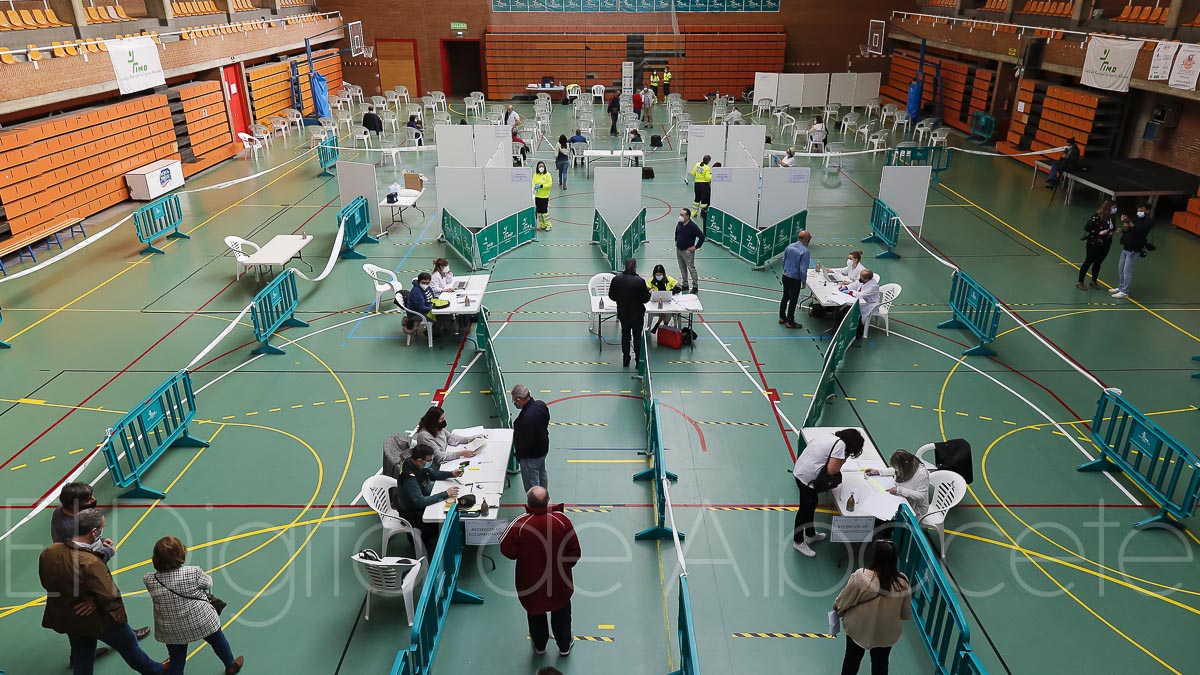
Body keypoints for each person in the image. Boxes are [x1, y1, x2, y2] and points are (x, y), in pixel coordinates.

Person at [40, 508, 167, 675]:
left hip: (70, 617)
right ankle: (157, 671)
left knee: (82, 658)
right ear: (94, 532)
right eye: (101, 528)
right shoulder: (91, 562)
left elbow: (47, 581)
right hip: (102, 620)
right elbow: (108, 594)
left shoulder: (50, 552)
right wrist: (94, 599)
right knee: (131, 648)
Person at [500, 486, 582, 659]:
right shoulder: (561, 520)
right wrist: (566, 567)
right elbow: (575, 550)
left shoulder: (521, 523)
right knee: (562, 613)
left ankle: (539, 646)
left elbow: (506, 549)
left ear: (528, 502)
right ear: (548, 500)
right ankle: (564, 646)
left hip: (530, 581)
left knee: (535, 613)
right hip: (559, 580)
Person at [143, 537, 243, 675]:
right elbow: (208, 584)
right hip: (201, 621)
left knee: (177, 659)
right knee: (218, 641)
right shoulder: (193, 572)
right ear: (181, 556)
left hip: (172, 629)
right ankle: (230, 665)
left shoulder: (149, 579)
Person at [833, 540, 912, 674]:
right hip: (886, 633)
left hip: (858, 628)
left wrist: (836, 610)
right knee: (881, 664)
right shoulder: (902, 583)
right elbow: (905, 613)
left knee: (851, 660)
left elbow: (842, 601)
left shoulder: (861, 577)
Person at [792, 429, 865, 557]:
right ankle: (798, 541)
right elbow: (832, 470)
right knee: (805, 509)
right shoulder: (840, 445)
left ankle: (810, 534)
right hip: (807, 479)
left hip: (801, 472)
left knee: (812, 504)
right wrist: (844, 458)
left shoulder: (829, 436)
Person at [394, 445, 462, 553]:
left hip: (423, 498)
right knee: (446, 521)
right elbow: (420, 502)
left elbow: (431, 473)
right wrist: (445, 494)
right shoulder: (409, 479)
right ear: (420, 460)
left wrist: (451, 474)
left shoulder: (413, 462)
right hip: (413, 514)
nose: (430, 463)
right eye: (428, 461)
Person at [608, 258, 652, 368]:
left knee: (625, 336)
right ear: (635, 267)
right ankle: (638, 361)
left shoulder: (616, 279)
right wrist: (649, 292)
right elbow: (645, 299)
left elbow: (611, 296)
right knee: (637, 338)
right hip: (637, 315)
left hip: (623, 313)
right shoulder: (639, 281)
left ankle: (625, 359)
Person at [865, 449, 930, 519]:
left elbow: (921, 496)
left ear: (904, 466)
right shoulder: (906, 466)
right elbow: (895, 470)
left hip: (915, 509)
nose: (897, 470)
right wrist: (879, 471)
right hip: (900, 498)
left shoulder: (921, 474)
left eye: (898, 468)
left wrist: (899, 490)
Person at [414, 405, 485, 466]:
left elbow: (450, 437)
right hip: (434, 465)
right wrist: (461, 453)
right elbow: (439, 457)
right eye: (441, 419)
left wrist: (468, 439)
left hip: (444, 455)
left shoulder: (436, 427)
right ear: (434, 420)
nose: (444, 420)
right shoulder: (425, 436)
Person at [511, 384, 551, 492]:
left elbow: (524, 443)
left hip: (530, 456)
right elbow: (547, 420)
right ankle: (544, 496)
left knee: (532, 484)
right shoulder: (541, 405)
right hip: (543, 449)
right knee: (542, 473)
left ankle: (536, 504)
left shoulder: (524, 420)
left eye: (514, 401)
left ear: (519, 400)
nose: (515, 403)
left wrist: (519, 456)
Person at [1111, 203, 1153, 299]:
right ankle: (1121, 287)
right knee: (1120, 268)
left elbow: (1138, 230)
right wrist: (1123, 228)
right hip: (1127, 246)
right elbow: (1128, 229)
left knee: (1127, 270)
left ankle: (1124, 291)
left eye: (1141, 211)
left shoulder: (1148, 222)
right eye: (1138, 210)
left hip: (1135, 248)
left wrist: (1128, 221)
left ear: (1147, 211)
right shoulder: (1135, 219)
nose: (1139, 212)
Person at [1077, 200, 1116, 290]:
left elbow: (1112, 227)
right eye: (1113, 207)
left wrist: (1113, 230)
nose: (1115, 209)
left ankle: (1094, 281)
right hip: (1094, 243)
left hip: (1106, 243)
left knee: (1098, 262)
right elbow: (1087, 227)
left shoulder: (1111, 218)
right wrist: (1099, 232)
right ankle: (1080, 281)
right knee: (1088, 261)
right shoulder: (1097, 216)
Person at [779, 230, 812, 329]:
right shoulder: (805, 251)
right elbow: (803, 269)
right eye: (809, 237)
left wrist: (787, 270)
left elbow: (783, 260)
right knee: (793, 300)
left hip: (785, 276)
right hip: (794, 279)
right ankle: (790, 322)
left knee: (785, 297)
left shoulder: (790, 247)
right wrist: (803, 281)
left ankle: (782, 317)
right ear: (806, 239)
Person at [840, 268, 881, 340]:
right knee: (845, 309)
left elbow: (862, 295)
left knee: (855, 314)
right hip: (861, 301)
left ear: (867, 279)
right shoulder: (862, 280)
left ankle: (857, 333)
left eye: (861, 277)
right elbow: (854, 285)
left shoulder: (873, 286)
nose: (859, 278)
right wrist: (846, 287)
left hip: (870, 304)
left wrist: (850, 292)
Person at [675, 208, 705, 294]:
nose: (680, 216)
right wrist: (676, 240)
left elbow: (702, 237)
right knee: (682, 268)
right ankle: (685, 284)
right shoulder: (680, 223)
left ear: (687, 216)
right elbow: (676, 231)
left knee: (691, 269)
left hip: (688, 252)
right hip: (679, 250)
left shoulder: (693, 226)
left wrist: (696, 247)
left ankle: (695, 285)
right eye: (680, 214)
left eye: (682, 215)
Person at [647, 263, 681, 334]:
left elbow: (679, 287)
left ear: (663, 274)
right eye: (657, 275)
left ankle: (663, 325)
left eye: (660, 275)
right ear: (654, 274)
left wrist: (672, 291)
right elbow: (646, 288)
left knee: (668, 312)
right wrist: (649, 290)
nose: (658, 276)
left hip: (667, 302)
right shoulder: (651, 280)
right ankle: (660, 325)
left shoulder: (669, 279)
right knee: (663, 313)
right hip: (655, 303)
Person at [690, 154, 712, 222]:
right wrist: (712, 175)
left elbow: (693, 173)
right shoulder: (707, 168)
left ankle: (693, 213)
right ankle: (703, 214)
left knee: (697, 199)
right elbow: (707, 178)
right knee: (704, 200)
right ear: (708, 161)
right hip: (704, 185)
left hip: (697, 184)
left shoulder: (697, 164)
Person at [533, 161, 553, 231]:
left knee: (544, 212)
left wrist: (541, 186)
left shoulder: (547, 175)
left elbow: (549, 184)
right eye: (539, 166)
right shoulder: (535, 175)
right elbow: (533, 183)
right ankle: (542, 225)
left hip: (544, 196)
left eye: (542, 166)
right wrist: (534, 187)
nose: (541, 168)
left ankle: (548, 225)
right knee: (539, 212)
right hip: (537, 196)